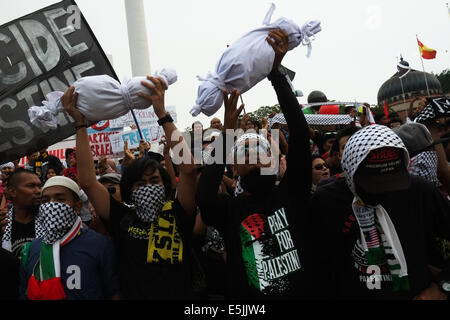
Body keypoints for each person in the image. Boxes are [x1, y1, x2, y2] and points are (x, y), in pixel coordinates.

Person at [197, 29, 319, 299]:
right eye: (244, 152)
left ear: (274, 162)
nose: (252, 153)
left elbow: (299, 133)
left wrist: (274, 71)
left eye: (260, 149)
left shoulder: (293, 192)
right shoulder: (229, 211)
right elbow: (204, 196)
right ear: (234, 169)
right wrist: (227, 135)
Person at [61, 74, 197, 299]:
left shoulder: (178, 212)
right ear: (129, 190)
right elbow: (88, 181)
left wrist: (162, 115)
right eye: (139, 184)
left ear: (166, 186)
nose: (147, 187)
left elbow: (189, 169)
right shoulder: (122, 218)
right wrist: (80, 124)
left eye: (154, 182)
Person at [310, 124, 450, 299]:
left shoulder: (418, 190)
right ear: (349, 169)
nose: (384, 190)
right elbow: (316, 262)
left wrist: (442, 287)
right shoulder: (327, 200)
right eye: (373, 182)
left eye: (392, 180)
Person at [19, 176, 120, 300]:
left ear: (77, 207)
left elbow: (114, 292)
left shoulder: (100, 245)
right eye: (45, 200)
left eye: (60, 199)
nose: (51, 205)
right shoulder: (32, 249)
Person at [1, 169, 42, 258]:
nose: (38, 191)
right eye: (31, 186)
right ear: (12, 191)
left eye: (40, 186)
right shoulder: (3, 222)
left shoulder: (48, 220)